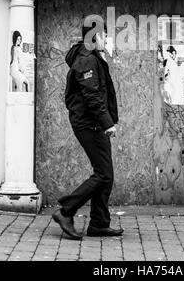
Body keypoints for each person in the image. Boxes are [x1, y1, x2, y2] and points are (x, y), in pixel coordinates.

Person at [52, 21, 123, 239]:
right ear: (94, 36)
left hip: (93, 123)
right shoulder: (86, 60)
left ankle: (99, 223)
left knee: (105, 174)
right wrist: (107, 123)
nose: (106, 40)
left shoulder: (92, 57)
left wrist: (107, 120)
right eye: (104, 36)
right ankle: (66, 211)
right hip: (88, 124)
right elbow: (92, 96)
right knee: (103, 174)